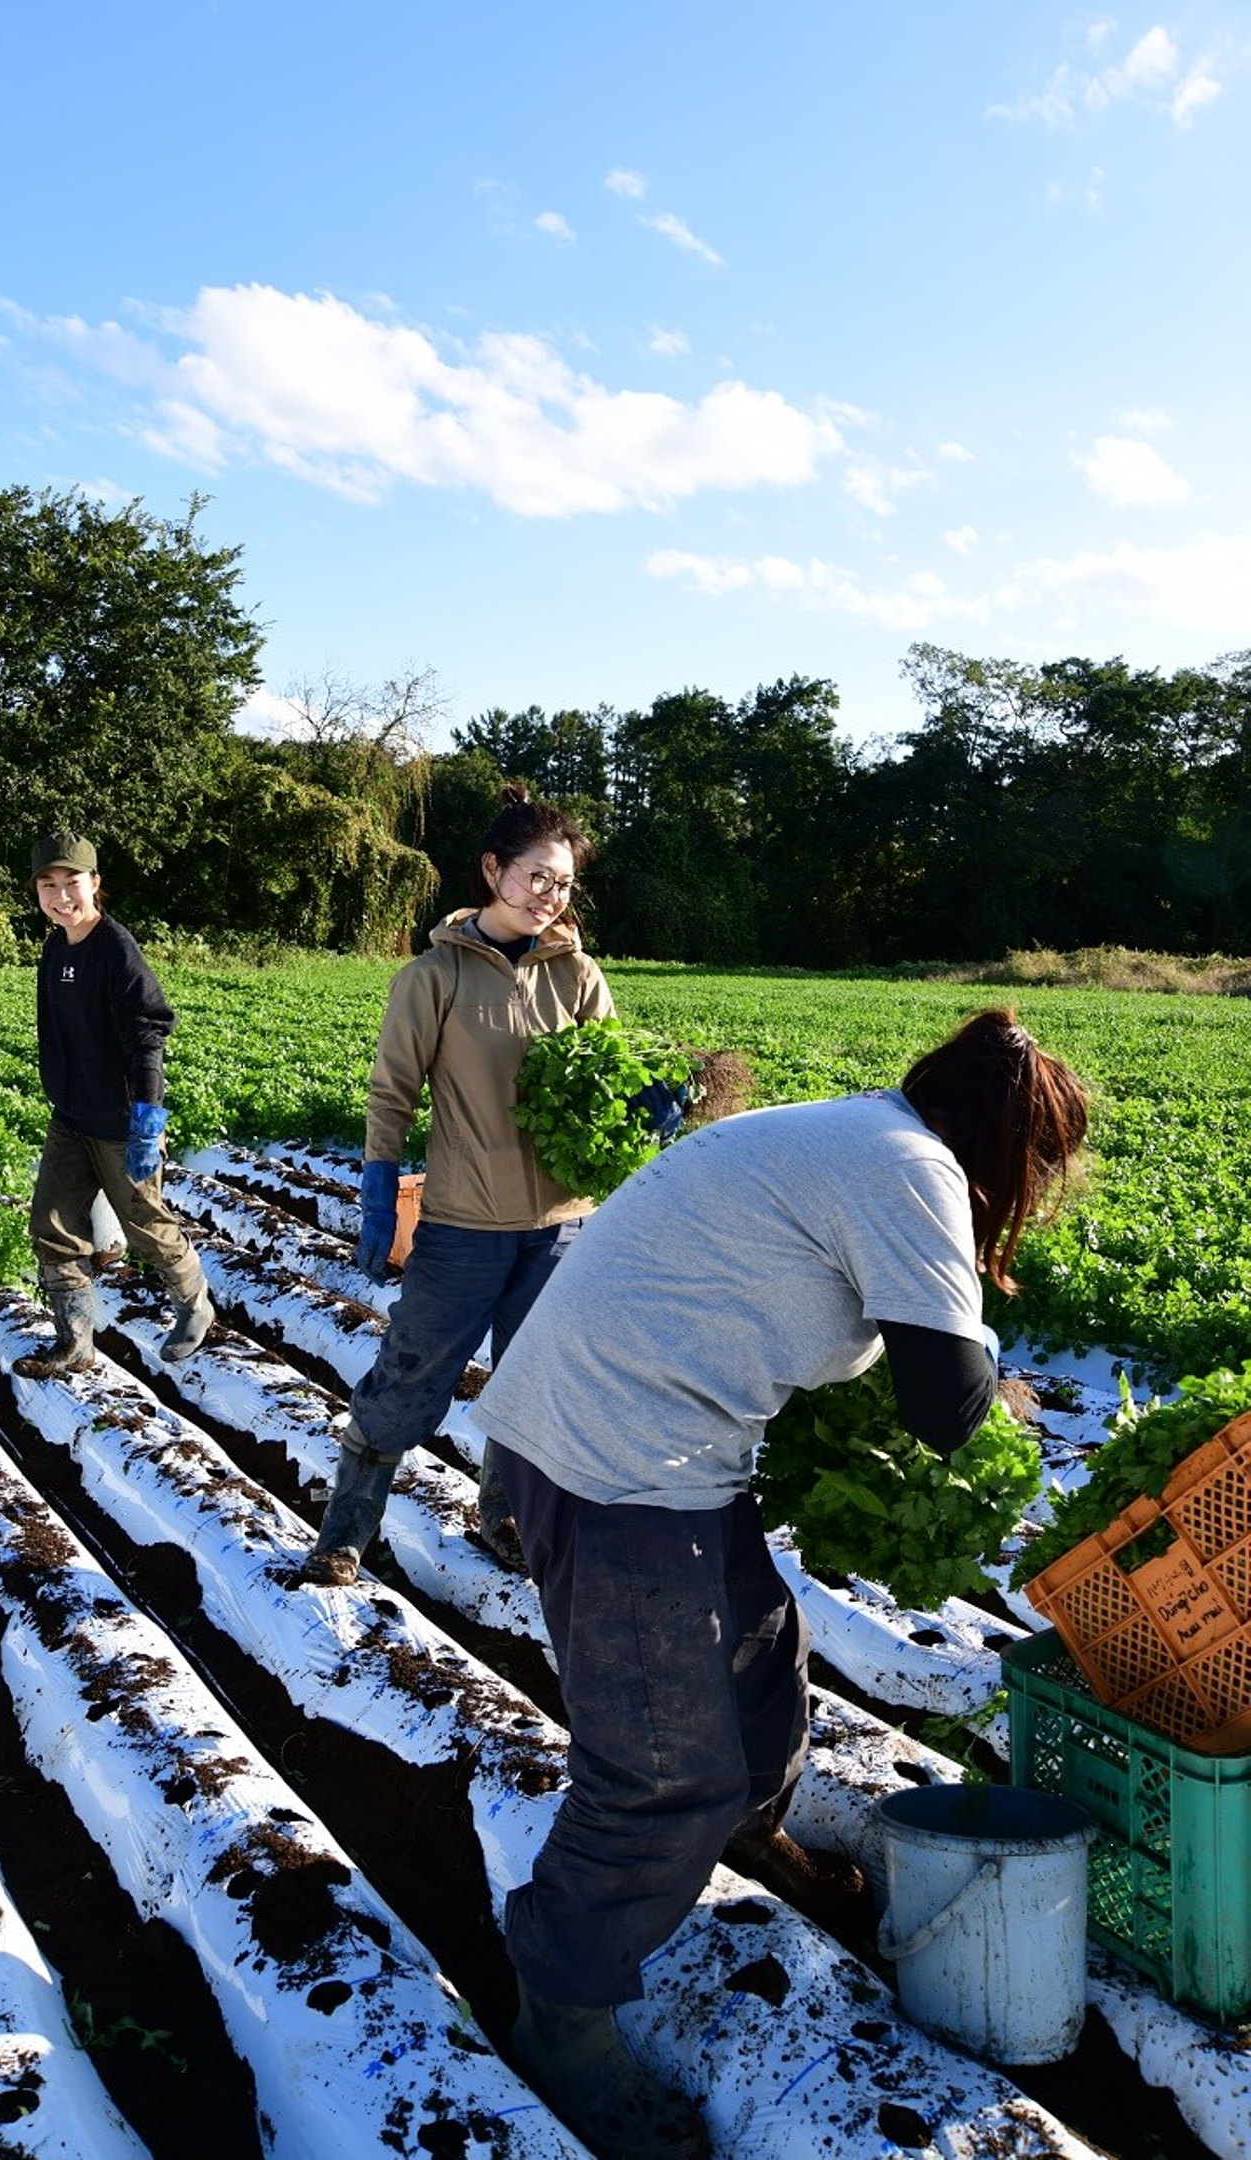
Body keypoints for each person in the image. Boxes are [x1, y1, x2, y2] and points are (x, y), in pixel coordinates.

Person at [466, 1009, 1091, 2160]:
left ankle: (755, 1841)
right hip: (617, 1463)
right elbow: (945, 1406)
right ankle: (562, 2011)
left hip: (641, 1437)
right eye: (1035, 1172)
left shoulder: (860, 1134)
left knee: (762, 1663)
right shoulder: (913, 1171)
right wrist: (998, 1389)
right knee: (661, 1772)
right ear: (1003, 1149)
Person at [302, 786, 637, 1586]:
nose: (549, 896)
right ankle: (345, 1533)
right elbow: (392, 1093)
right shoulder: (435, 975)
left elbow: (611, 1079)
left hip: (561, 1228)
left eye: (563, 883)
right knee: (409, 1379)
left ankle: (505, 1519)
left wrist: (647, 1107)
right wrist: (378, 1187)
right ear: (493, 871)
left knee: (531, 1388)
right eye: (535, 877)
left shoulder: (578, 974)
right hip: (463, 1227)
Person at [13, 832, 214, 1380]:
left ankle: (194, 1303)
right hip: (71, 1117)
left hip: (122, 1123)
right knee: (52, 1223)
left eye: (71, 883)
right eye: (48, 885)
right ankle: (75, 1343)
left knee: (144, 1225)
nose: (61, 896)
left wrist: (148, 1116)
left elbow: (148, 1033)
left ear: (94, 883)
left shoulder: (115, 949)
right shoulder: (56, 949)